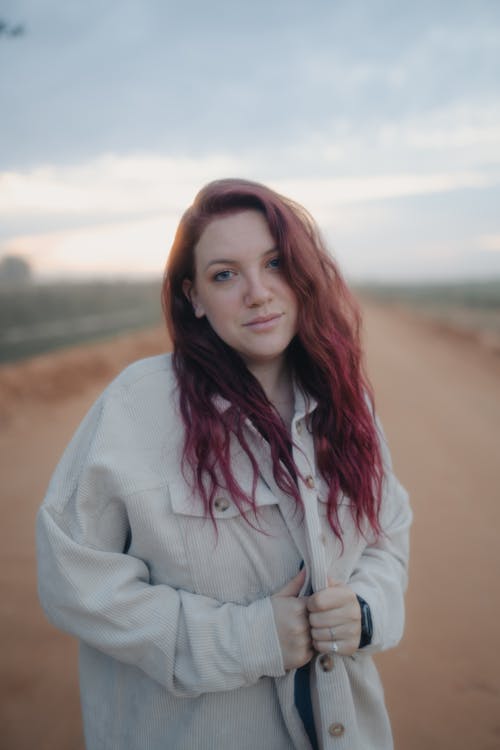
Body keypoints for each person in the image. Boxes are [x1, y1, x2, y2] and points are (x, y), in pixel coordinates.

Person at [36, 178, 412, 750]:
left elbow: (388, 532)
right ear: (193, 297)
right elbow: (71, 576)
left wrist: (366, 610)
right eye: (225, 274)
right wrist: (243, 640)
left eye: (275, 263)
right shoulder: (138, 407)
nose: (258, 292)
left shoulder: (345, 402)